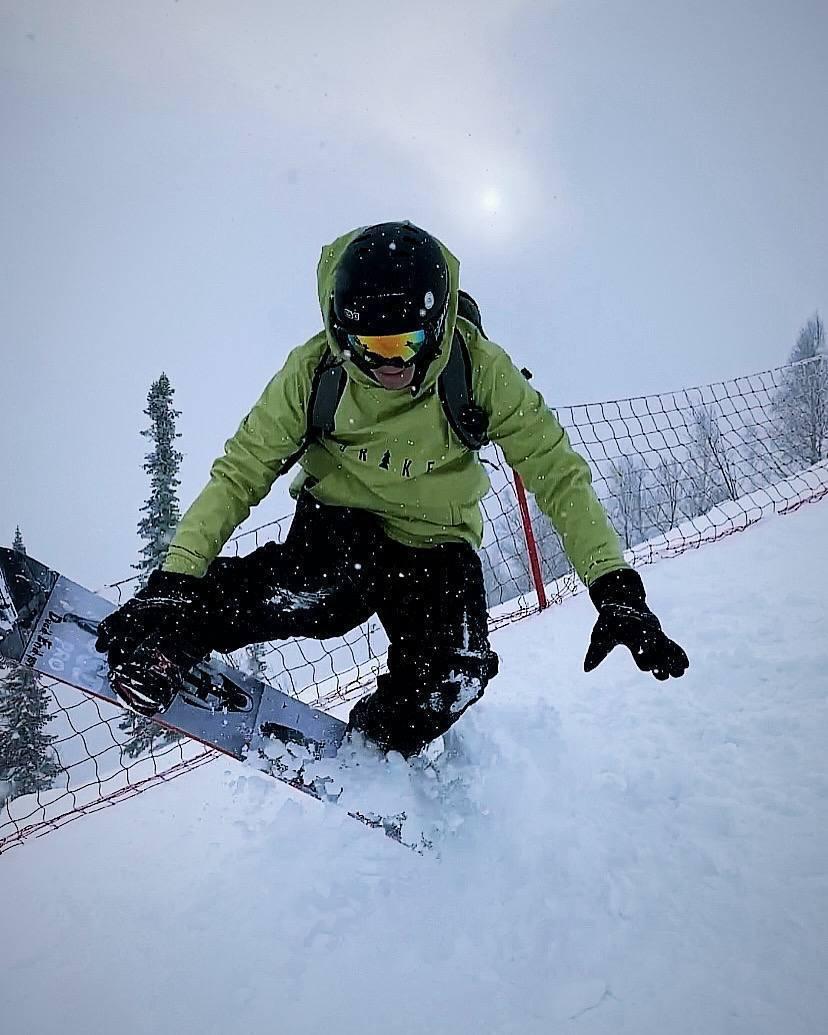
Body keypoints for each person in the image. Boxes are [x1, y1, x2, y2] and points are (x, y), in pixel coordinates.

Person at [96, 221, 688, 758]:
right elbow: (241, 471)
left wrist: (615, 588)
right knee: (325, 596)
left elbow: (556, 470)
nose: (391, 364)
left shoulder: (477, 368)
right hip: (340, 519)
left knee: (456, 671)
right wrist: (176, 578)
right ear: (341, 331)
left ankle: (377, 747)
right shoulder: (315, 373)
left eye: (407, 343)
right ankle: (169, 634)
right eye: (373, 348)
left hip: (436, 541)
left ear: (439, 322)